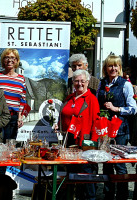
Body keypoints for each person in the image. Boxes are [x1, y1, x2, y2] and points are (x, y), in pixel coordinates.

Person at [56, 69, 100, 200]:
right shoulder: (69, 98)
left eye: (82, 81)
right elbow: (64, 115)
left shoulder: (92, 99)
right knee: (73, 175)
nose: (79, 83)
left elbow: (96, 123)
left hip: (84, 143)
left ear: (87, 82)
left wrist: (92, 146)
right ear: (73, 82)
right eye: (76, 81)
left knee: (86, 175)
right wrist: (59, 125)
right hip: (69, 142)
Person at [97, 54, 136, 200]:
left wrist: (116, 108)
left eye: (116, 65)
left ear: (119, 68)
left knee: (119, 164)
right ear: (105, 68)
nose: (113, 68)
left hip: (120, 129)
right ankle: (108, 194)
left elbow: (133, 108)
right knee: (106, 163)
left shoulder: (125, 84)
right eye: (110, 65)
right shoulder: (101, 83)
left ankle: (122, 195)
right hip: (104, 130)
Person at [0, 48, 26, 143]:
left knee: (10, 145)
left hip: (12, 118)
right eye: (7, 57)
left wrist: (20, 117)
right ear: (3, 60)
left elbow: (23, 100)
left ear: (17, 60)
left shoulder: (21, 79)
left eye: (13, 57)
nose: (10, 60)